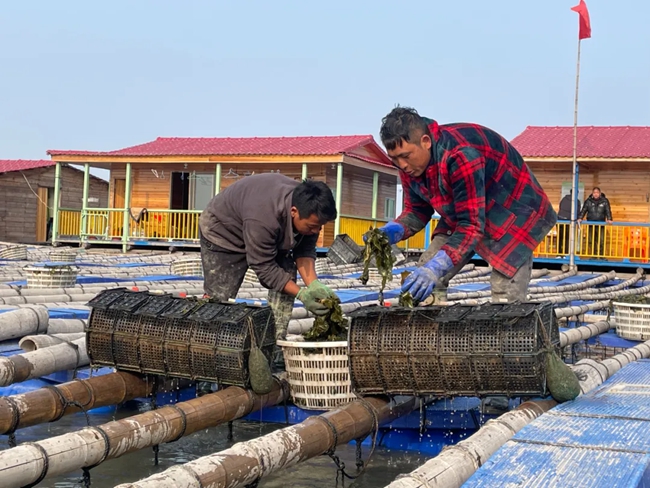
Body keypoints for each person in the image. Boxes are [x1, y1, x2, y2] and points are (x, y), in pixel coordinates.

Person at [372, 106, 557, 303]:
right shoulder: (410, 164)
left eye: (406, 156)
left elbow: (471, 226)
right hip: (465, 209)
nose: (402, 165)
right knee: (425, 272)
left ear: (425, 142)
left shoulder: (460, 156)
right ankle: (431, 327)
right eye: (395, 159)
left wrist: (438, 267)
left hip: (513, 210)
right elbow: (417, 210)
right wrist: (392, 231)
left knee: (505, 295)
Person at [198, 173, 339, 370]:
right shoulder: (264, 216)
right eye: (313, 226)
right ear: (294, 212)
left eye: (320, 227)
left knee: (286, 271)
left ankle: (273, 346)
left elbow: (305, 251)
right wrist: (301, 293)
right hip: (223, 233)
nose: (317, 231)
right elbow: (263, 266)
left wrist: (313, 285)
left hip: (266, 233)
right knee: (219, 300)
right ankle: (208, 359)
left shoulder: (308, 211)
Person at [578, 187, 613, 258]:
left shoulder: (605, 201)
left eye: (597, 192)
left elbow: (608, 210)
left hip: (601, 224)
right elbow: (584, 210)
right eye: (594, 192)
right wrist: (580, 218)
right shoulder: (588, 201)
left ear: (599, 193)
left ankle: (601, 255)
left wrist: (609, 218)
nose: (596, 194)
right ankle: (593, 255)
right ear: (592, 193)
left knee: (601, 240)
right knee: (591, 240)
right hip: (591, 224)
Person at [557, 190, 581, 256]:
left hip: (560, 219)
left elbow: (560, 207)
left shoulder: (564, 199)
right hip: (568, 221)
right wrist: (579, 218)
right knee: (568, 238)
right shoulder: (577, 201)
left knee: (560, 237)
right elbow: (577, 212)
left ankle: (559, 253)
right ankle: (566, 253)